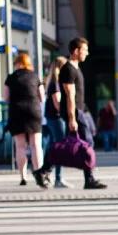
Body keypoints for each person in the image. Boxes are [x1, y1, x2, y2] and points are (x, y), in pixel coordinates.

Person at [35, 38, 107, 189]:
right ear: (75, 51)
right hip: (74, 112)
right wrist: (72, 118)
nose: (87, 53)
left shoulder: (75, 68)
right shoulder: (68, 69)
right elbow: (69, 95)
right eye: (84, 50)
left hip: (79, 111)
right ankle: (89, 179)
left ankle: (44, 170)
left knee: (68, 144)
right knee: (86, 142)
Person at [4, 51, 43, 186]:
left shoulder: (10, 78)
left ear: (18, 64)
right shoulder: (35, 77)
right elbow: (42, 97)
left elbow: (6, 98)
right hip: (33, 111)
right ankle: (39, 174)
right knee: (35, 145)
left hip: (17, 111)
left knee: (20, 146)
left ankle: (23, 177)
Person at [42, 56, 71, 189]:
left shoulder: (53, 82)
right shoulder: (56, 83)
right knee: (59, 147)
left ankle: (46, 172)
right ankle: (57, 177)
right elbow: (57, 103)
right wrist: (68, 114)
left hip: (51, 117)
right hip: (57, 118)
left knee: (53, 146)